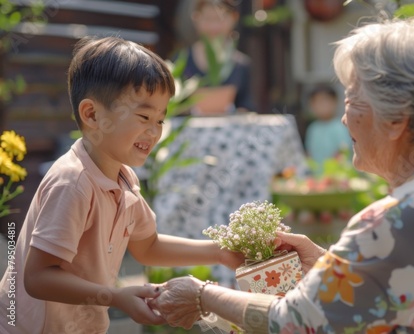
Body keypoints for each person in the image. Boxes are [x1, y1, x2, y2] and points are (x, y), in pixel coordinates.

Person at [148, 17, 414, 333]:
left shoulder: (392, 219)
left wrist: (202, 296)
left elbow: (295, 323)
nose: (345, 119)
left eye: (351, 101)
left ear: (396, 120)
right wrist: (328, 264)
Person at [0, 36, 243, 334]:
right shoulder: (73, 182)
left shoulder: (124, 178)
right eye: (143, 116)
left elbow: (148, 246)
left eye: (160, 120)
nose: (153, 132)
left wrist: (219, 251)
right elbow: (38, 277)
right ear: (92, 115)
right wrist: (116, 297)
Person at [180, 0, 254, 114]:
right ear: (196, 18)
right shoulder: (181, 61)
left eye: (220, 18)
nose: (214, 26)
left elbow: (246, 105)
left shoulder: (241, 64)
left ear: (234, 18)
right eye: (208, 18)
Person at [304, 84, 352, 174]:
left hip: (339, 178)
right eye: (317, 102)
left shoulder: (341, 126)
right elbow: (309, 154)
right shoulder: (312, 129)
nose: (321, 105)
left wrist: (332, 170)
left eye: (325, 101)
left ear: (335, 102)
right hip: (317, 179)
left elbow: (343, 151)